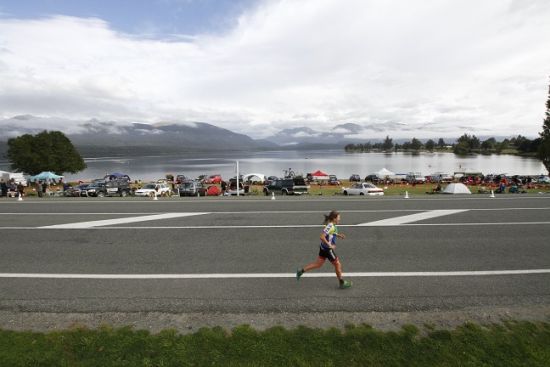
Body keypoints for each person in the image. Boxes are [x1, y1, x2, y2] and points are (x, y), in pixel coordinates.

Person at [296, 210, 352, 289]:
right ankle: (342, 283)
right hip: (327, 249)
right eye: (339, 217)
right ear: (334, 218)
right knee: (337, 264)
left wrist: (339, 235)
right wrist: (330, 245)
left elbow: (331, 233)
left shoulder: (332, 225)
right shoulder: (331, 226)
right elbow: (322, 236)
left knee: (318, 264)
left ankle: (300, 271)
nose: (340, 219)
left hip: (323, 248)